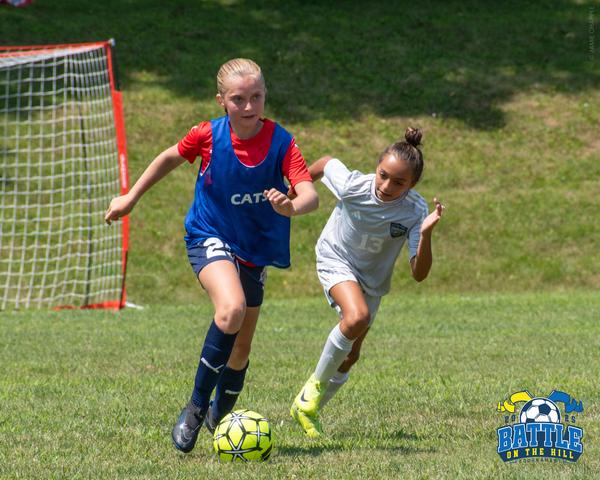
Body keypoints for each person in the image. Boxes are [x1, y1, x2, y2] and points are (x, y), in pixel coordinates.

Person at [105, 58, 318, 453]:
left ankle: (221, 416)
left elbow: (309, 193)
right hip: (210, 235)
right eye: (238, 99)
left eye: (257, 97)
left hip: (255, 247)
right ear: (221, 100)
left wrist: (291, 206)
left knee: (241, 348)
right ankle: (196, 406)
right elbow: (169, 157)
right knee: (231, 309)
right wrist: (131, 197)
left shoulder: (281, 141)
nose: (249, 106)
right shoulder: (207, 135)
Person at [289, 128, 444, 438]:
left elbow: (419, 273)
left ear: (412, 185)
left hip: (372, 280)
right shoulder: (353, 186)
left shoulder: (415, 211)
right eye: (383, 175)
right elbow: (326, 163)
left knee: (350, 356)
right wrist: (293, 193)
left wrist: (426, 234)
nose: (386, 186)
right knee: (357, 316)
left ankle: (307, 410)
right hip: (336, 258)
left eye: (398, 182)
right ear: (377, 167)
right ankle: (309, 393)